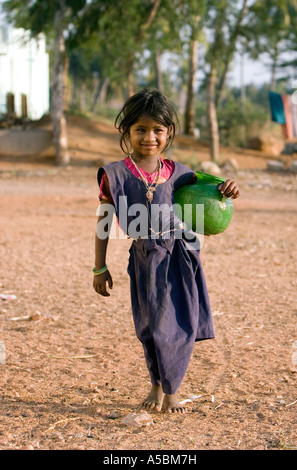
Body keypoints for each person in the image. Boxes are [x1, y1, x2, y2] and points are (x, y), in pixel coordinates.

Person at [93, 88, 240, 413]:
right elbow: (104, 219)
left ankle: (172, 389)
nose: (149, 137)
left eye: (158, 129)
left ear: (169, 132)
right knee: (148, 326)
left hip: (180, 258)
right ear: (127, 131)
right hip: (144, 258)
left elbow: (216, 187)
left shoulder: (182, 173)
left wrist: (228, 188)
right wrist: (99, 266)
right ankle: (157, 382)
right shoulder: (116, 175)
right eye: (140, 129)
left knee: (177, 324)